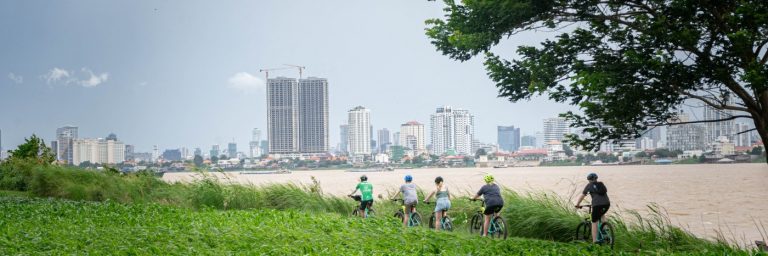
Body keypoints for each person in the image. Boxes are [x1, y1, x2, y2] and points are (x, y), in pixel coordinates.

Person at [575, 172, 611, 243]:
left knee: (594, 221)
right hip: (607, 204)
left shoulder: (589, 185)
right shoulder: (601, 184)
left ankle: (595, 241)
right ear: (596, 179)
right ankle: (605, 229)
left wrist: (577, 204)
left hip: (597, 205)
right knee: (601, 214)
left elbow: (582, 196)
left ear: (589, 180)